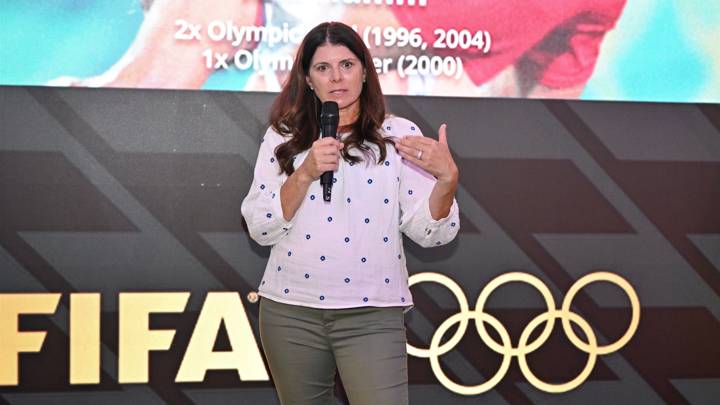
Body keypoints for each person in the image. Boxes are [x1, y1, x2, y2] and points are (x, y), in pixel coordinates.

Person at [240, 21, 460, 405]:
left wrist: (447, 180)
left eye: (347, 64)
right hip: (291, 312)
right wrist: (306, 171)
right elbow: (260, 226)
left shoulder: (397, 135)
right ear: (308, 79)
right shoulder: (284, 136)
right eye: (323, 68)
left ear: (364, 71)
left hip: (372, 313)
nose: (336, 77)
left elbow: (432, 232)